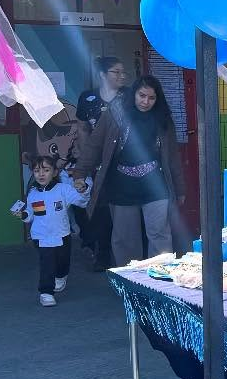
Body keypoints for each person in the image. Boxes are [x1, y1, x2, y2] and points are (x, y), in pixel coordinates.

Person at [74, 75, 185, 266]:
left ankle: (160, 279)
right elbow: (94, 145)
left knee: (159, 236)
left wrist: (180, 188)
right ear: (133, 93)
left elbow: (172, 156)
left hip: (156, 187)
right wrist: (80, 173)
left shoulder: (162, 118)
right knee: (125, 239)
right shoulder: (115, 113)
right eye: (142, 95)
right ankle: (130, 281)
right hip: (121, 186)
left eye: (151, 98)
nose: (145, 102)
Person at [73, 57, 130, 271]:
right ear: (102, 75)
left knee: (126, 208)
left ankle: (129, 255)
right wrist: (87, 158)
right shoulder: (88, 99)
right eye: (116, 72)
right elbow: (82, 128)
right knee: (100, 208)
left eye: (123, 72)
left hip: (125, 162)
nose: (122, 76)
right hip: (98, 163)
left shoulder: (129, 96)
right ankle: (102, 253)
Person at [13, 155, 91, 307]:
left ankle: (61, 277)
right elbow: (30, 214)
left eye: (46, 170)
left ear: (55, 172)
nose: (41, 174)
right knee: (47, 263)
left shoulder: (63, 189)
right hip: (41, 237)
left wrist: (83, 190)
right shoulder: (33, 193)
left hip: (62, 235)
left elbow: (82, 202)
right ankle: (46, 292)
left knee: (62, 262)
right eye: (37, 171)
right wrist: (23, 215)